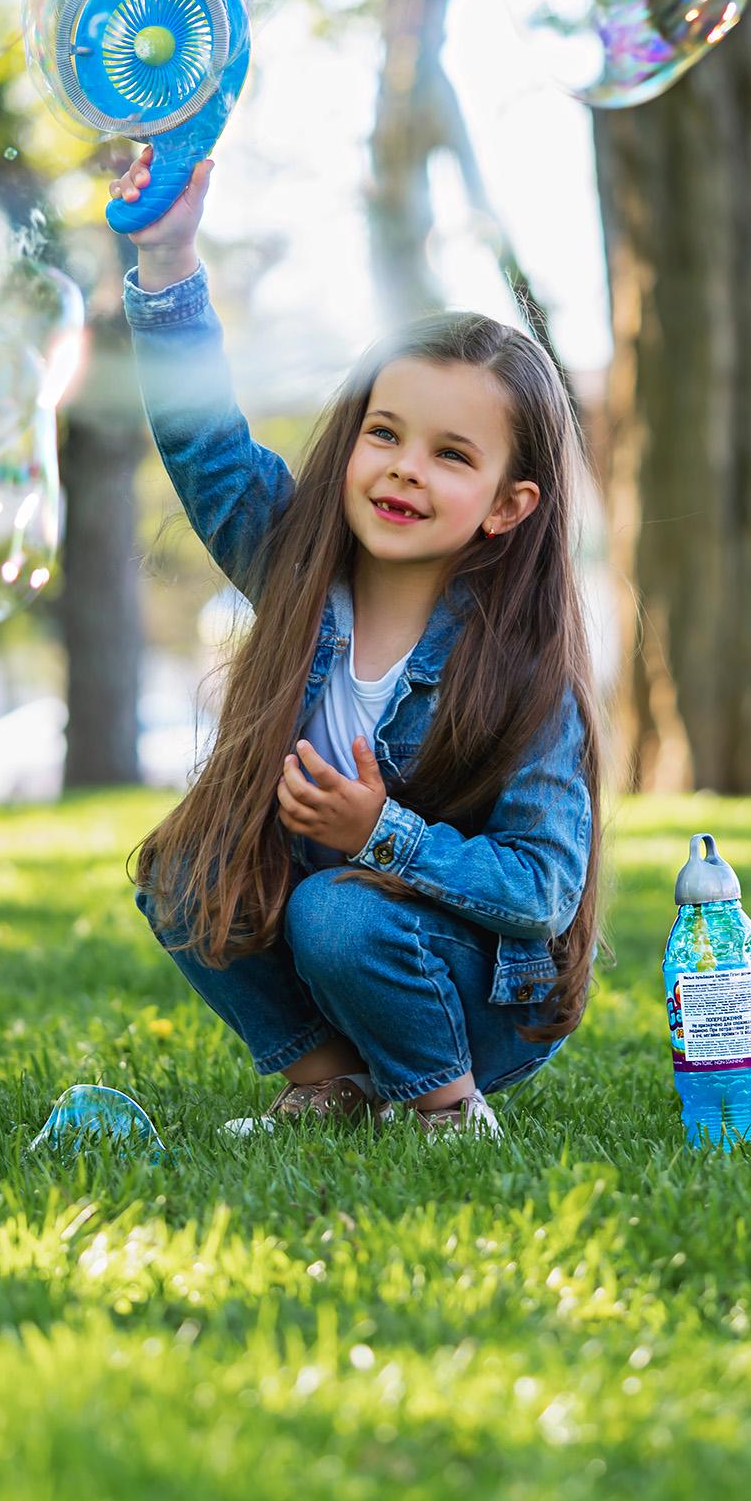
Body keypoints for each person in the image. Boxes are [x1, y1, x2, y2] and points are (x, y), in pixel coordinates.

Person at [117, 147, 604, 1139]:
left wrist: (382, 835)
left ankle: (447, 1105)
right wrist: (167, 266)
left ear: (509, 506)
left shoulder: (522, 678)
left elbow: (543, 890)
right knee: (181, 866)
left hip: (477, 993)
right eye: (386, 433)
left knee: (338, 908)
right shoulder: (295, 567)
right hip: (332, 937)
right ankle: (331, 1084)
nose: (403, 470)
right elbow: (205, 441)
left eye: (452, 455)